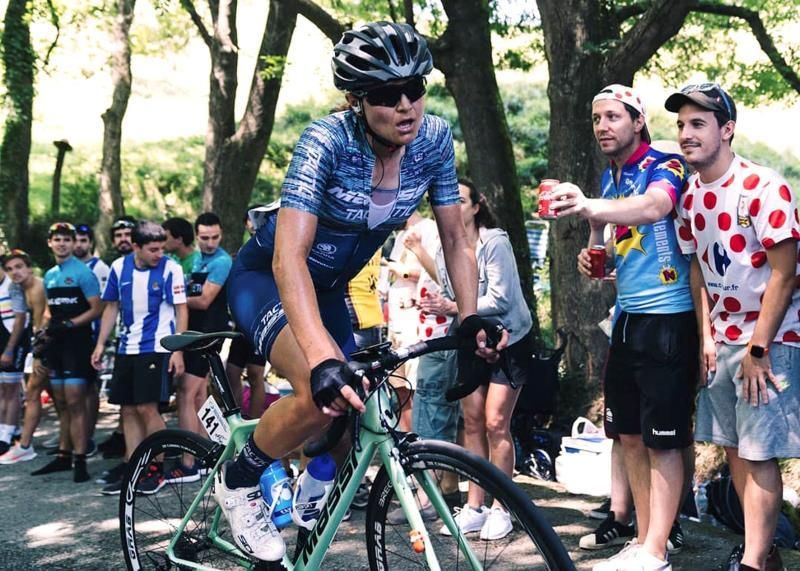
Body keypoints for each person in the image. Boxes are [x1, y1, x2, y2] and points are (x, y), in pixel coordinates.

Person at [219, 21, 504, 562]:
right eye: (384, 94)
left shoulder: (435, 139)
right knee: (315, 386)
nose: (405, 106)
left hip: (330, 287)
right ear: (355, 99)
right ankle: (238, 480)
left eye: (415, 89)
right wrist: (322, 356)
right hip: (269, 277)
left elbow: (455, 238)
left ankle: (315, 486)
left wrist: (470, 319)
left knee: (355, 396)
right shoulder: (325, 141)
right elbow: (288, 258)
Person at [551, 84, 693, 571]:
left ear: (638, 121)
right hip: (628, 318)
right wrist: (599, 253)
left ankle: (658, 549)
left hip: (669, 318)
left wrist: (588, 207)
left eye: (613, 116)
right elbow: (622, 243)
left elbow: (655, 208)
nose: (602, 126)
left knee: (663, 438)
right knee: (628, 434)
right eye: (596, 119)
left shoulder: (665, 164)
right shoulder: (613, 177)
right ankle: (643, 539)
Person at [667, 82, 799, 571]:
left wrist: (759, 347)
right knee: (735, 449)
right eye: (681, 124)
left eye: (698, 123)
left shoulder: (764, 187)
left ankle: (754, 560)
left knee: (760, 450)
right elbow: (698, 267)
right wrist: (707, 335)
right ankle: (762, 555)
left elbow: (787, 272)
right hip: (722, 338)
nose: (686, 133)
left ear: (727, 130)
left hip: (771, 338)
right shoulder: (690, 196)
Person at [426, 179, 533, 541]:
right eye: (447, 200)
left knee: (495, 423)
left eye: (460, 200)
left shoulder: (494, 242)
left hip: (511, 338)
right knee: (471, 421)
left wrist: (455, 307)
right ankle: (474, 506)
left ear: (476, 206)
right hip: (474, 338)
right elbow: (450, 292)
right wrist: (447, 306)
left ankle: (503, 508)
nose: (453, 206)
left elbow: (501, 299)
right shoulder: (445, 248)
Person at [91, 221, 187, 494]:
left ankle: (158, 468)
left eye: (161, 248)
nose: (159, 253)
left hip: (156, 347)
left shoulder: (171, 268)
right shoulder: (119, 267)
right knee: (129, 409)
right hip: (126, 348)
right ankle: (135, 467)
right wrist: (100, 344)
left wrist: (177, 349)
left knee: (147, 407)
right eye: (153, 249)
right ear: (136, 247)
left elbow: (181, 310)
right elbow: (111, 306)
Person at [35, 222, 102, 483]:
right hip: (57, 345)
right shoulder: (50, 275)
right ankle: (64, 455)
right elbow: (50, 309)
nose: (62, 243)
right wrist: (41, 333)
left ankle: (81, 459)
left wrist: (72, 324)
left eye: (66, 239)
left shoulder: (83, 273)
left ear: (73, 243)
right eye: (57, 239)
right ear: (50, 243)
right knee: (61, 401)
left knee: (75, 401)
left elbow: (97, 308)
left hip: (78, 343)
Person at [175, 212, 232, 479]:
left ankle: (189, 461)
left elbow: (205, 300)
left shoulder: (222, 261)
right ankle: (205, 454)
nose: (210, 242)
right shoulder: (195, 259)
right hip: (194, 332)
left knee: (187, 392)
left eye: (215, 237)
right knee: (197, 396)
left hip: (207, 335)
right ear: (196, 236)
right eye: (205, 237)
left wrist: (173, 298)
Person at [0, 250, 48, 465]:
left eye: (18, 267)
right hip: (32, 342)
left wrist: (32, 353)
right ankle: (12, 434)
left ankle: (19, 442)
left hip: (34, 341)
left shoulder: (32, 287)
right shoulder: (15, 286)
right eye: (10, 268)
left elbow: (36, 321)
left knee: (25, 392)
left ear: (28, 267)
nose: (14, 272)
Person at [75, 223, 111, 455]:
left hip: (92, 334)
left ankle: (87, 436)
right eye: (75, 240)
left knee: (90, 388)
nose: (79, 245)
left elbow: (107, 303)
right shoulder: (66, 268)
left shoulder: (100, 268)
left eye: (83, 240)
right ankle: (75, 436)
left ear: (90, 243)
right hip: (72, 337)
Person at [0, 256, 30, 457]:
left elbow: (21, 320)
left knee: (11, 390)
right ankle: (10, 430)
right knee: (3, 389)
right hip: (3, 339)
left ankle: (7, 435)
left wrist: (10, 349)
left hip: (15, 341)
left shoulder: (13, 286)